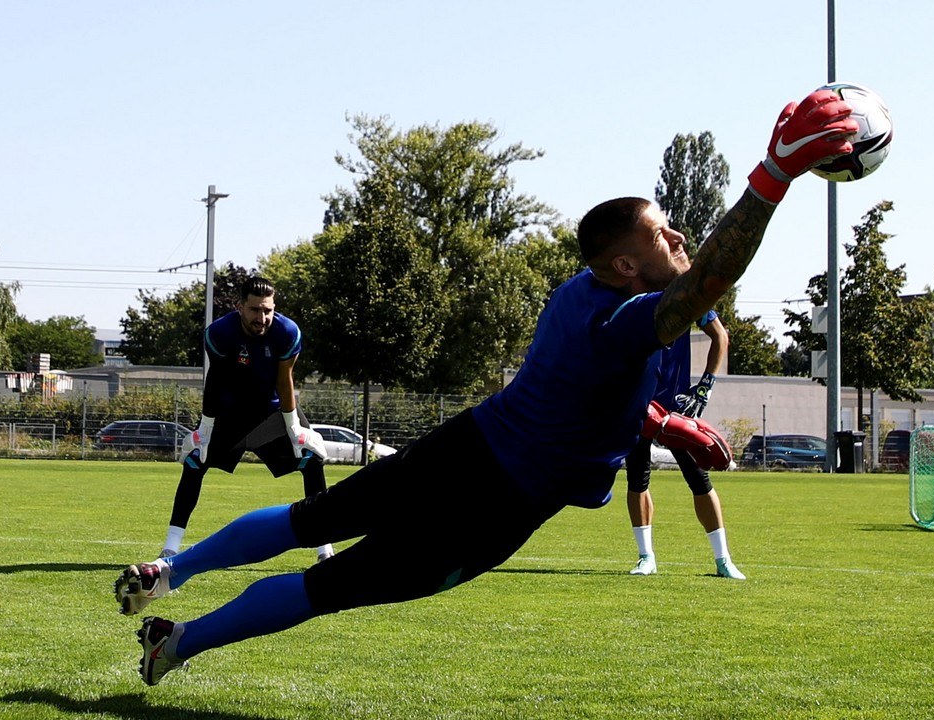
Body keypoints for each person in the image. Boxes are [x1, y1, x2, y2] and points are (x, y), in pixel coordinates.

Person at [112, 87, 857, 685]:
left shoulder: (578, 295)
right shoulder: (624, 317)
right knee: (327, 588)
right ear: (625, 265)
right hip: (499, 500)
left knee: (311, 523)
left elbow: (579, 395)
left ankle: (170, 570)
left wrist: (655, 422)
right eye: (663, 234)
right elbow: (708, 283)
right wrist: (774, 175)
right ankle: (176, 644)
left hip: (468, 444)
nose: (681, 239)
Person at [157, 276, 334, 564]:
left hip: (272, 411)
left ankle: (324, 549)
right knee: (195, 461)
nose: (261, 318)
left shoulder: (287, 332)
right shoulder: (220, 332)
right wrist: (205, 429)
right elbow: (215, 380)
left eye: (267, 310)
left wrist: (293, 427)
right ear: (240, 307)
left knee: (311, 459)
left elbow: (285, 380)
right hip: (231, 411)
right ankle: (170, 548)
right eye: (254, 310)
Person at [626, 310, 746, 580]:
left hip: (676, 406)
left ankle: (723, 559)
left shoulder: (685, 297)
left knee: (699, 479)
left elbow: (720, 336)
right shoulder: (634, 296)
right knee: (637, 478)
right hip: (641, 403)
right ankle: (646, 556)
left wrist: (705, 386)